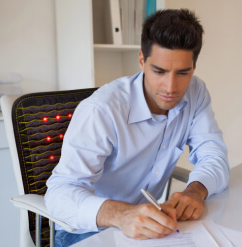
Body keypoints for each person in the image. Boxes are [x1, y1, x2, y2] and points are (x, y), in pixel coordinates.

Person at [45, 9, 230, 247]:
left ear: (194, 67)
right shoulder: (101, 110)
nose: (170, 87)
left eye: (182, 73)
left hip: (147, 228)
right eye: (159, 71)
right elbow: (59, 195)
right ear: (142, 60)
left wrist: (196, 191)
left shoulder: (196, 92)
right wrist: (120, 215)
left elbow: (213, 154)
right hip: (83, 232)